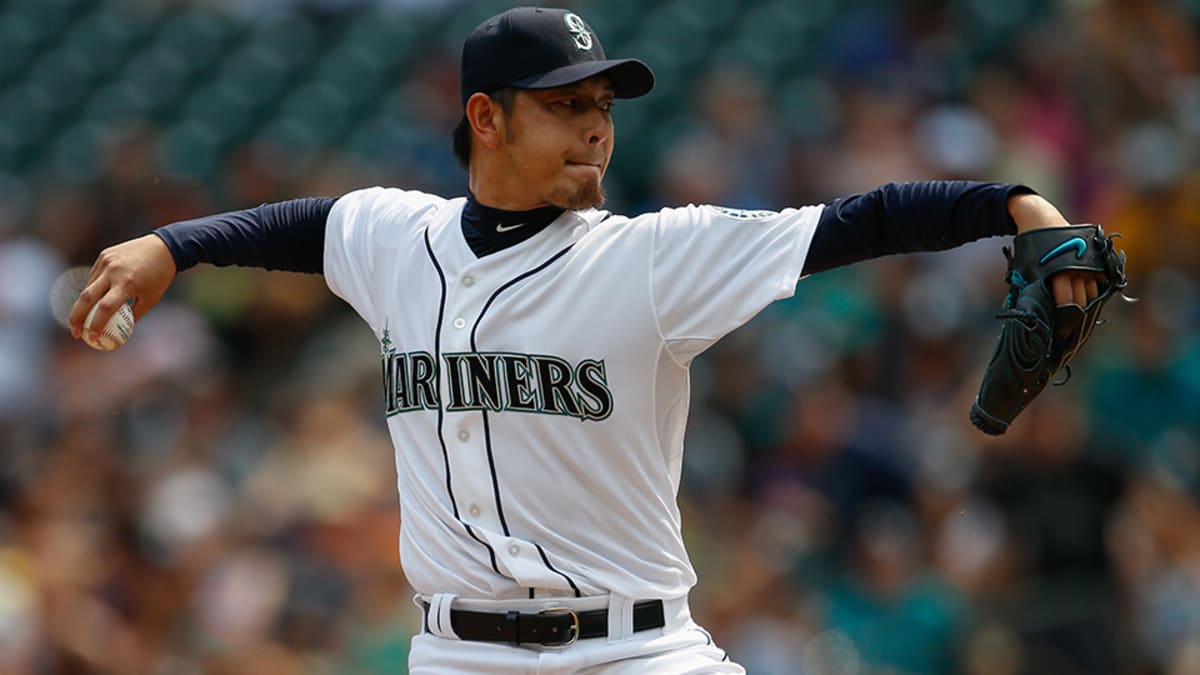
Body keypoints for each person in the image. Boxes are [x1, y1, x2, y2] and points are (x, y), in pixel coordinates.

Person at [70, 7, 1105, 673]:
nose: (598, 128)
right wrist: (173, 245)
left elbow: (864, 220)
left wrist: (1014, 204)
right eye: (567, 107)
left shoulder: (654, 258)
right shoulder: (396, 238)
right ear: (487, 117)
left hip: (639, 651)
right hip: (455, 655)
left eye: (603, 106)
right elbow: (296, 227)